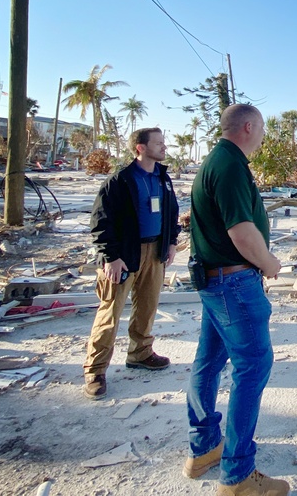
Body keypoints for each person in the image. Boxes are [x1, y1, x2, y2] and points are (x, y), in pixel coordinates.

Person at [184, 104, 289, 496]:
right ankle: (238, 477)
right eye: (261, 129)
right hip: (233, 285)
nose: (263, 137)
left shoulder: (218, 160)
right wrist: (269, 262)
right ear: (248, 126)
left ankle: (205, 448)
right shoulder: (228, 165)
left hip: (217, 284)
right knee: (253, 366)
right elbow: (242, 233)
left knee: (208, 363)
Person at [83, 127, 179, 400]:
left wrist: (171, 242)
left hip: (155, 252)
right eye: (158, 143)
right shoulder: (120, 181)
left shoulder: (163, 178)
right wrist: (110, 257)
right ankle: (95, 369)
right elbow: (100, 223)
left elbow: (171, 212)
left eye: (164, 142)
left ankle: (140, 353)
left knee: (147, 307)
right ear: (140, 147)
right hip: (124, 255)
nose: (164, 147)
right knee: (109, 314)